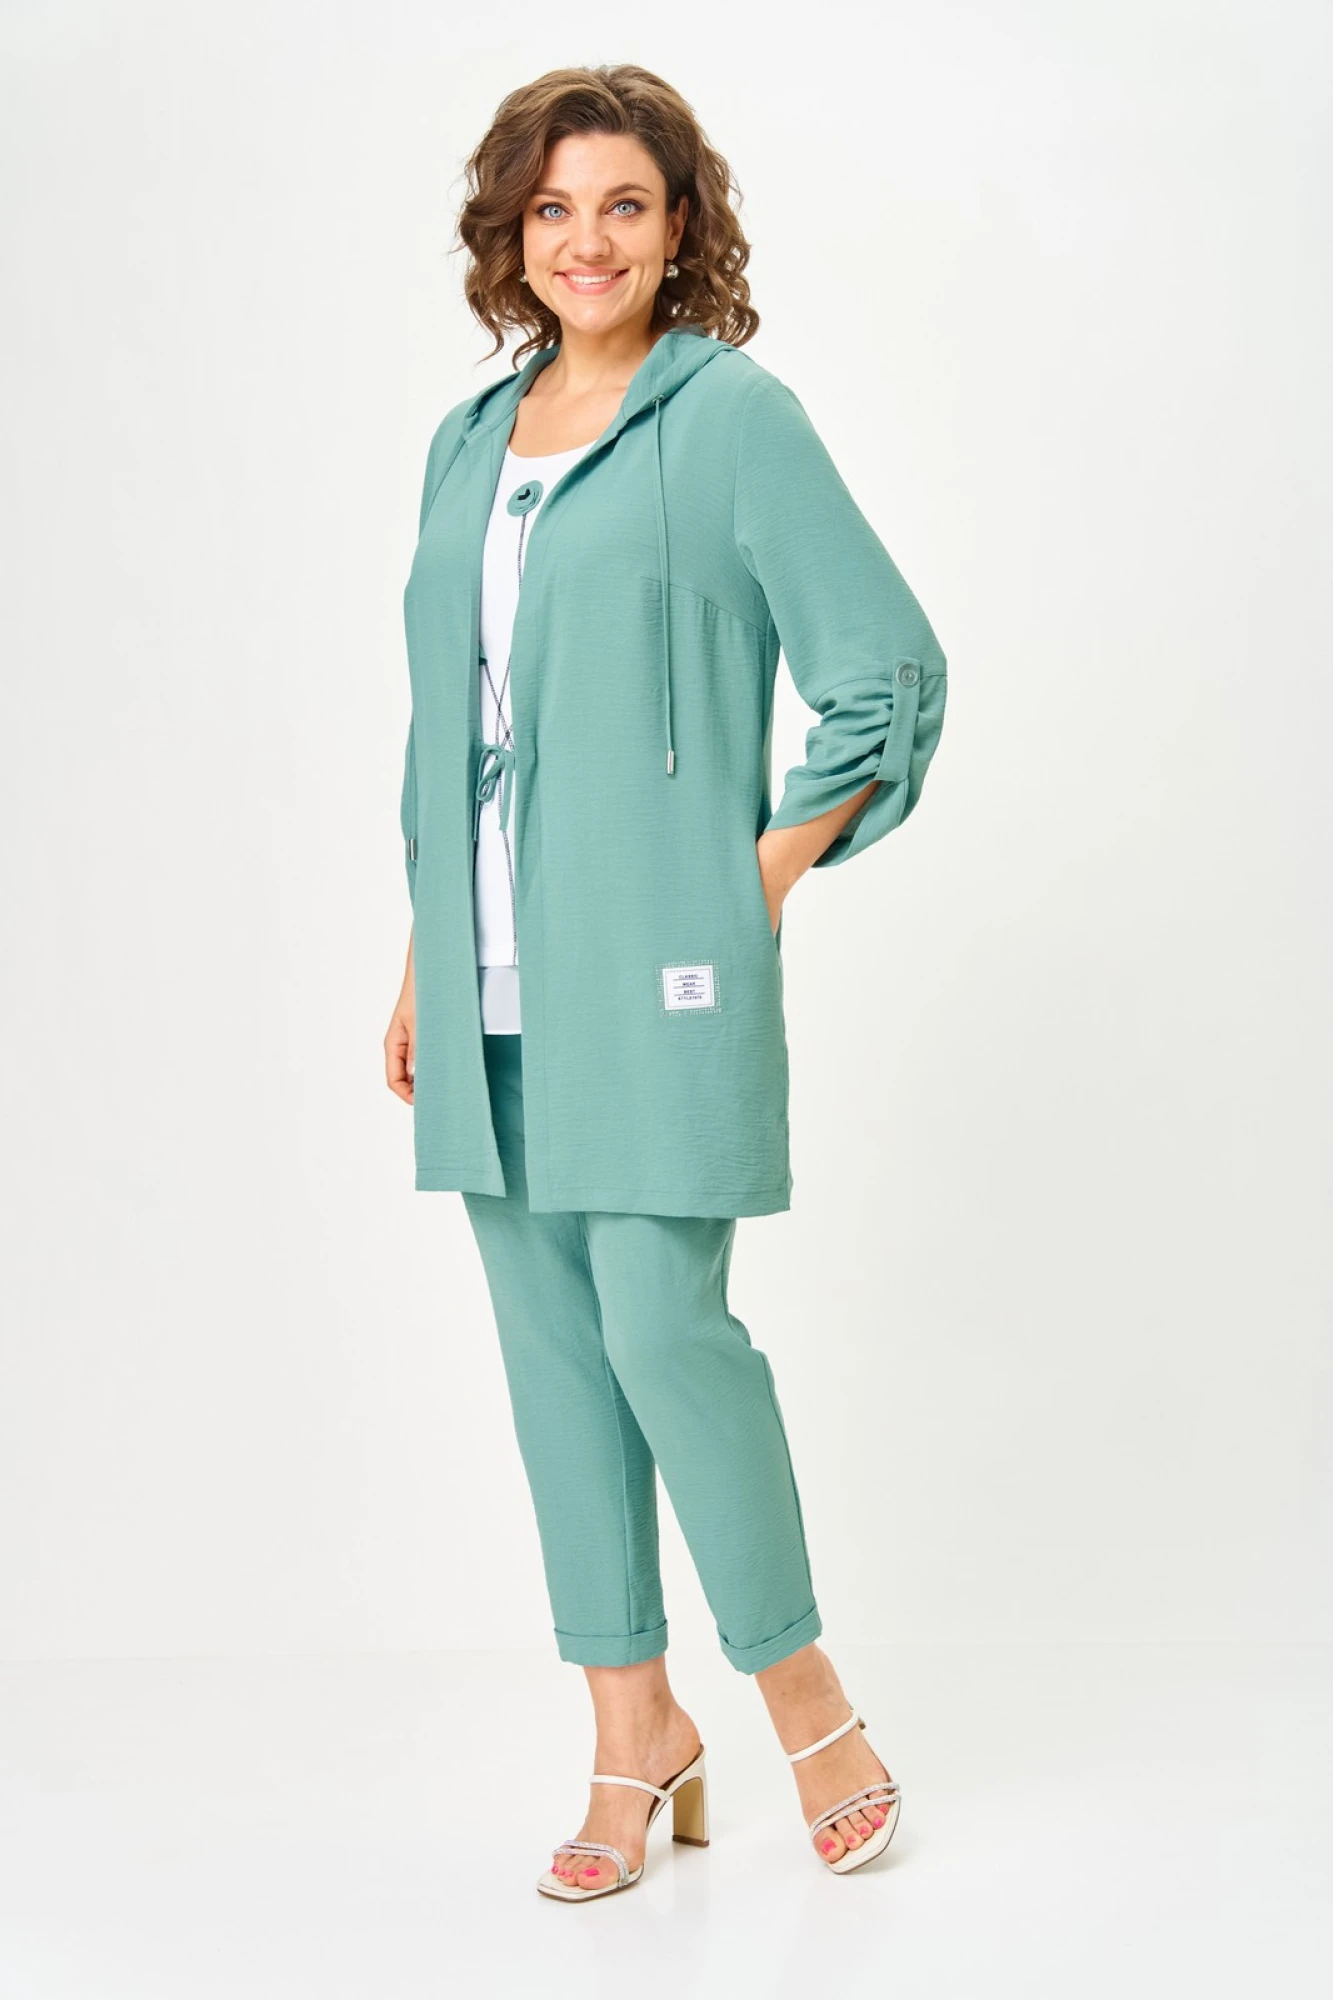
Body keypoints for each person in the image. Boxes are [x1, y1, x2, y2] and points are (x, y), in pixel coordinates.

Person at [384, 64, 948, 1899]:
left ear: (680, 226)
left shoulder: (731, 421)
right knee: (556, 1357)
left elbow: (884, 668)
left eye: (623, 204)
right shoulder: (469, 440)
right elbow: (455, 724)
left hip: (659, 968)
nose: (587, 241)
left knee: (661, 1329)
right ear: (513, 234)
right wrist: (425, 952)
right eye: (552, 209)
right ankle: (634, 1731)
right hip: (488, 975)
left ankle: (806, 1694)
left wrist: (759, 871)